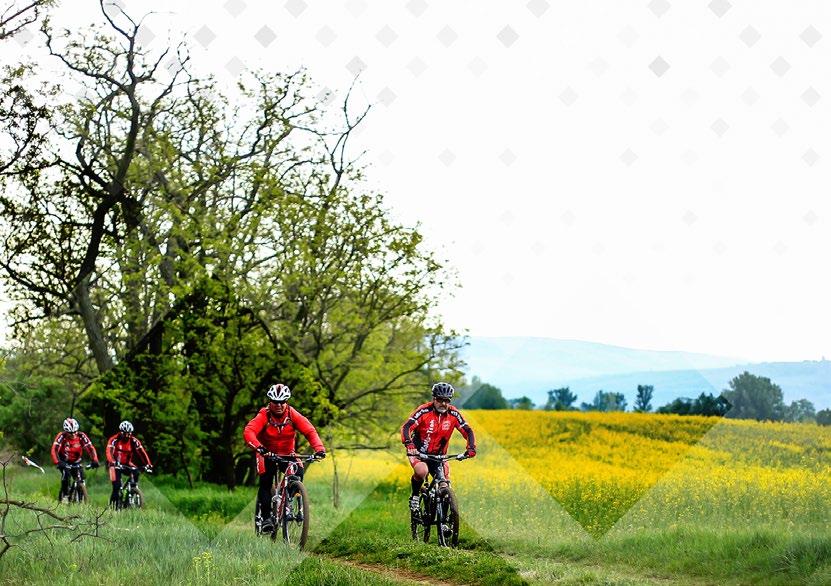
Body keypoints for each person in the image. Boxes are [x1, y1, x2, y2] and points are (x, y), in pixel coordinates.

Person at [243, 383, 326, 534]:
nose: (279, 405)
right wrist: (260, 448)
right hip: (266, 453)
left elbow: (309, 431)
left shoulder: (292, 414)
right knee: (266, 482)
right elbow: (249, 431)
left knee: (298, 471)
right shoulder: (264, 415)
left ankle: (288, 498)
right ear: (270, 401)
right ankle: (267, 518)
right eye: (275, 402)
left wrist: (319, 448)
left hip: (287, 453)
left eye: (283, 401)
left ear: (287, 401)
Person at [400, 382, 477, 513]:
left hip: (439, 456)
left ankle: (445, 523)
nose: (443, 403)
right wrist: (409, 444)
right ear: (434, 399)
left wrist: (471, 448)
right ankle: (415, 496)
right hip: (419, 453)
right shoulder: (424, 410)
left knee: (445, 485)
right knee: (422, 471)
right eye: (440, 400)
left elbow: (467, 430)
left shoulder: (453, 413)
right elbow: (407, 426)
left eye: (447, 400)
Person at [51, 417, 100, 502]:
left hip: (76, 460)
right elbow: (54, 449)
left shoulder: (81, 436)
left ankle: (81, 495)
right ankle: (65, 496)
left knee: (81, 477)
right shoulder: (62, 436)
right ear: (66, 431)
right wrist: (57, 462)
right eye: (70, 433)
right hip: (64, 460)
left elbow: (90, 448)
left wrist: (94, 460)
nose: (73, 434)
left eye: (75, 432)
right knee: (66, 475)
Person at [105, 420, 153, 507]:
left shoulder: (134, 441)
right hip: (114, 465)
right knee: (116, 487)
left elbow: (142, 452)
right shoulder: (114, 439)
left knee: (136, 472)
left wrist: (148, 464)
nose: (127, 436)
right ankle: (114, 507)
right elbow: (109, 452)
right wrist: (112, 461)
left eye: (129, 433)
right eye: (125, 433)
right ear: (121, 432)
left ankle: (132, 490)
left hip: (127, 464)